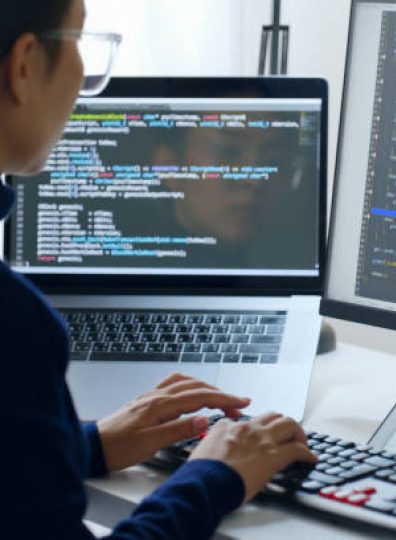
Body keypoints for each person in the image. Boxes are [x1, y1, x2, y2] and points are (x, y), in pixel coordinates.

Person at [0, 1, 316, 538]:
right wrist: (214, 475)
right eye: (78, 41)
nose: (82, 75)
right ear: (25, 63)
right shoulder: (15, 325)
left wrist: (87, 443)